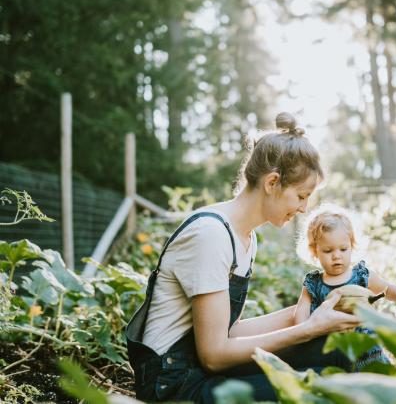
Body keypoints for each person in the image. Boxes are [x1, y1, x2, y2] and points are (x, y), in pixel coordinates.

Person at [125, 113, 361, 403]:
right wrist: (307, 329)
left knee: (340, 349)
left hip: (201, 369)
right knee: (322, 385)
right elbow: (214, 354)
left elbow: (228, 330)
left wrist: (310, 310)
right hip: (175, 386)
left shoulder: (245, 237)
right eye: (301, 196)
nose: (303, 209)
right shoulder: (210, 234)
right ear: (272, 182)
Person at [293, 205, 396, 369]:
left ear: (352, 246)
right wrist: (304, 333)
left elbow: (386, 288)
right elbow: (300, 320)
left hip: (367, 349)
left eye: (343, 249)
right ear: (315, 251)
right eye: (328, 250)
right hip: (332, 352)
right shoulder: (313, 284)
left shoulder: (361, 276)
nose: (337, 256)